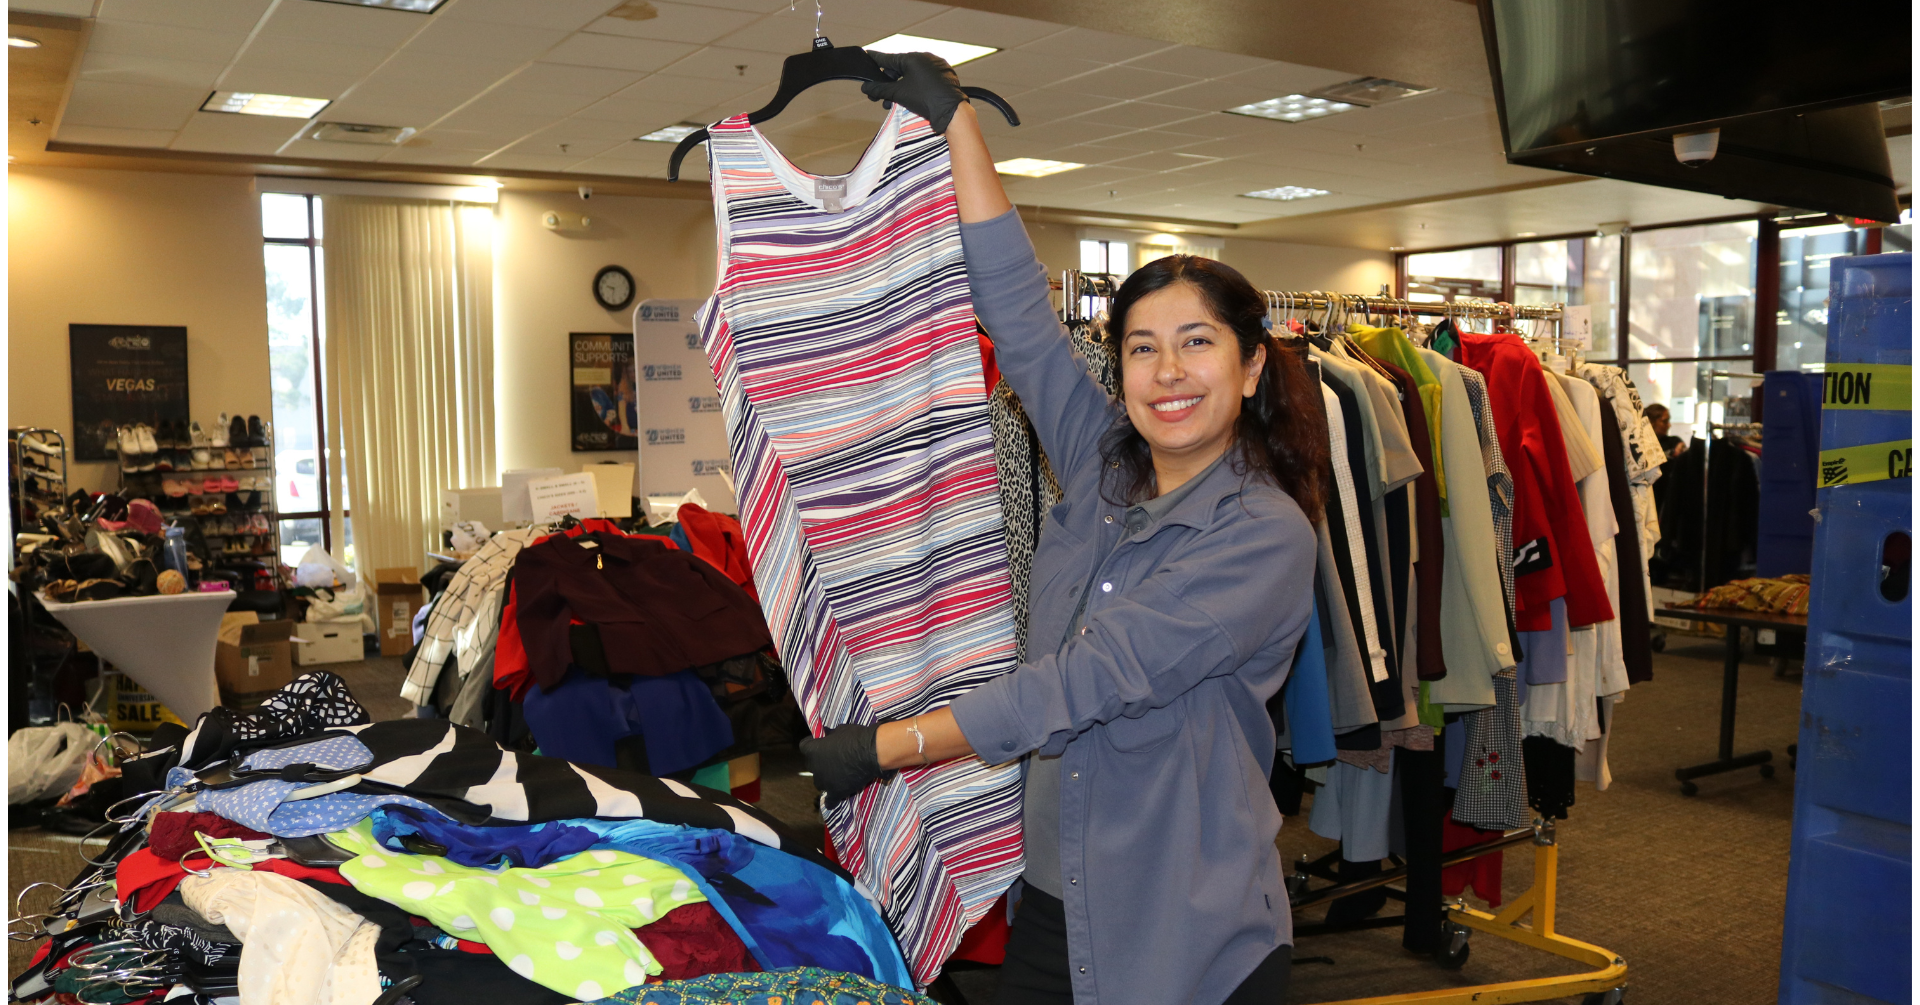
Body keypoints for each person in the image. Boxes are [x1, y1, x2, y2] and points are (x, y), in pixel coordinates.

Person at [798, 51, 1328, 1005]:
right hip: (1058, 891)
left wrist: (886, 747)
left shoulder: (1266, 535)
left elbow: (1094, 679)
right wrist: (956, 121)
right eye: (1142, 347)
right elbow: (1018, 316)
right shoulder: (1100, 458)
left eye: (1197, 343)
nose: (1168, 371)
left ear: (1251, 367)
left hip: (1185, 924)